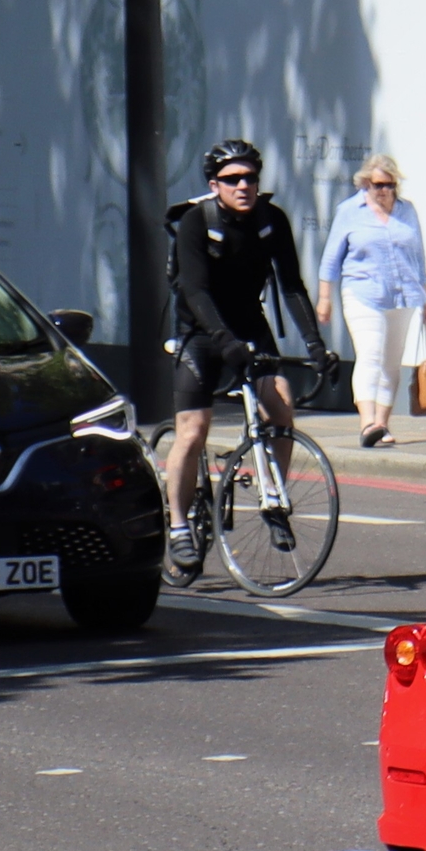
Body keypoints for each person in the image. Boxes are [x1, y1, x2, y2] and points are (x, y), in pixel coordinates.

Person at [163, 139, 332, 577]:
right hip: (201, 329)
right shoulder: (195, 223)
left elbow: (292, 286)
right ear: (214, 185)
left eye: (250, 178)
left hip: (247, 322)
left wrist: (315, 345)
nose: (244, 186)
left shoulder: (271, 220)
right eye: (233, 179)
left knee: (280, 401)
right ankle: (179, 524)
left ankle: (270, 492)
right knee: (194, 428)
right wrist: (223, 341)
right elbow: (195, 291)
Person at [318, 154, 426, 449]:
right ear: (365, 183)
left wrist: (425, 297)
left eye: (390, 185)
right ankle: (367, 421)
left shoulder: (407, 212)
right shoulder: (349, 211)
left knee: (392, 363)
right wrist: (324, 298)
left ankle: (382, 423)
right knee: (370, 355)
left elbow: (417, 256)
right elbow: (331, 258)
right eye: (378, 185)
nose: (384, 191)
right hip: (363, 292)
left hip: (403, 294)